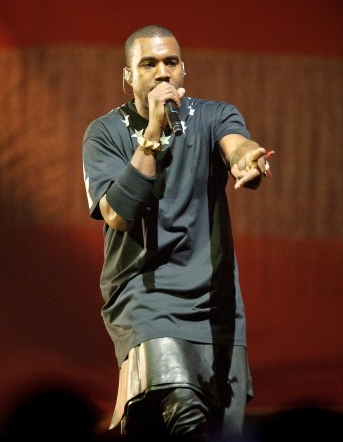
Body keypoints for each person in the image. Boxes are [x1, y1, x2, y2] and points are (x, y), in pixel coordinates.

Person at [82, 24, 272, 441]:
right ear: (128, 76)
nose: (163, 72)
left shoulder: (213, 116)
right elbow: (116, 214)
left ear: (183, 69)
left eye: (171, 62)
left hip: (213, 299)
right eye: (148, 64)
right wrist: (152, 134)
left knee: (216, 425)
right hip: (145, 296)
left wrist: (248, 160)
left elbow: (237, 145)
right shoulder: (105, 133)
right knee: (186, 414)